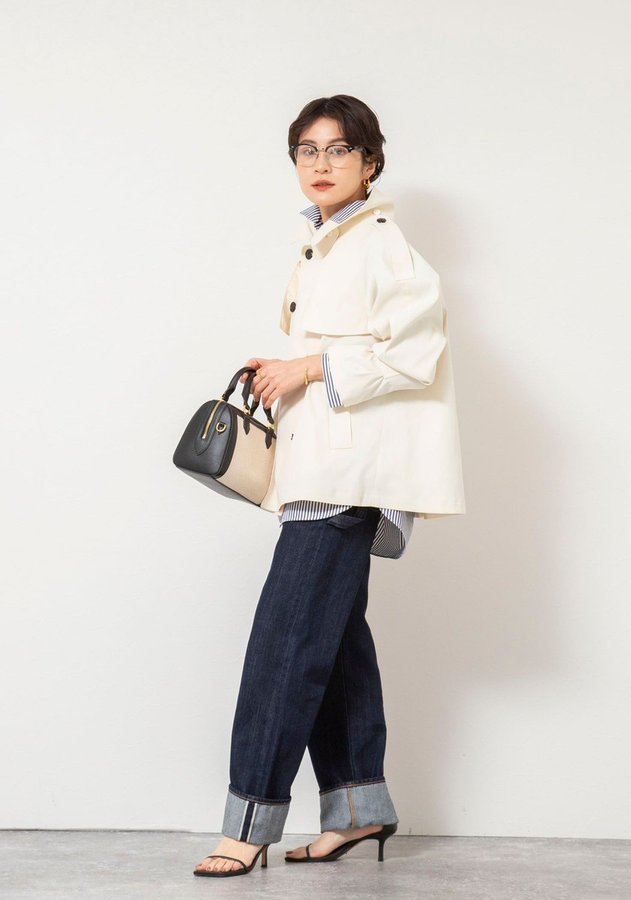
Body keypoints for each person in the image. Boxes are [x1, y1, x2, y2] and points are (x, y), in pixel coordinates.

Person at [193, 94, 465, 877]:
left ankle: (249, 822)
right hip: (319, 468)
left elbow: (415, 353)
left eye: (339, 149)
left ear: (369, 162)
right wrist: (285, 369)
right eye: (307, 150)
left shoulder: (382, 245)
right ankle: (357, 809)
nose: (321, 163)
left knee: (286, 643)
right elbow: (347, 348)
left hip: (347, 478)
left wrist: (308, 366)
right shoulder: (325, 244)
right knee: (334, 641)